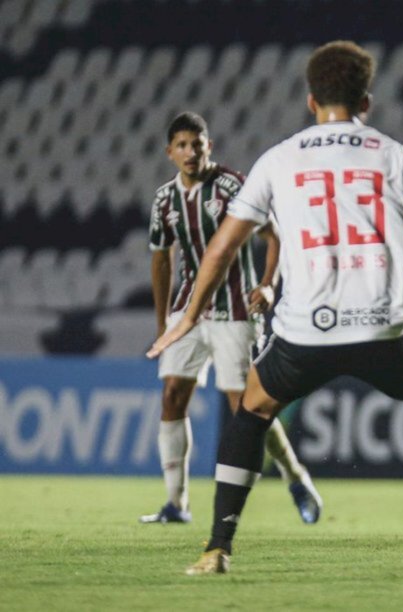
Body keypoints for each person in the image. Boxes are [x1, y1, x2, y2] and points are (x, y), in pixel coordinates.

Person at [148, 41, 403, 576]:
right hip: (387, 328)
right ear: (366, 101)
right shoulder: (399, 158)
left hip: (305, 333)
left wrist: (186, 317)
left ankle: (217, 548)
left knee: (250, 412)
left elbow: (223, 246)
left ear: (310, 100)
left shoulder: (279, 159)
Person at [144, 112, 322, 525]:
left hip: (234, 310)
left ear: (210, 146)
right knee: (172, 395)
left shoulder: (230, 186)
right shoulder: (164, 200)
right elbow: (160, 261)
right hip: (187, 311)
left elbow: (273, 235)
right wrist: (161, 325)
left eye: (198, 143)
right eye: (182, 145)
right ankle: (176, 503)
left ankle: (295, 475)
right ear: (169, 153)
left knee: (245, 407)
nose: (191, 152)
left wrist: (267, 284)